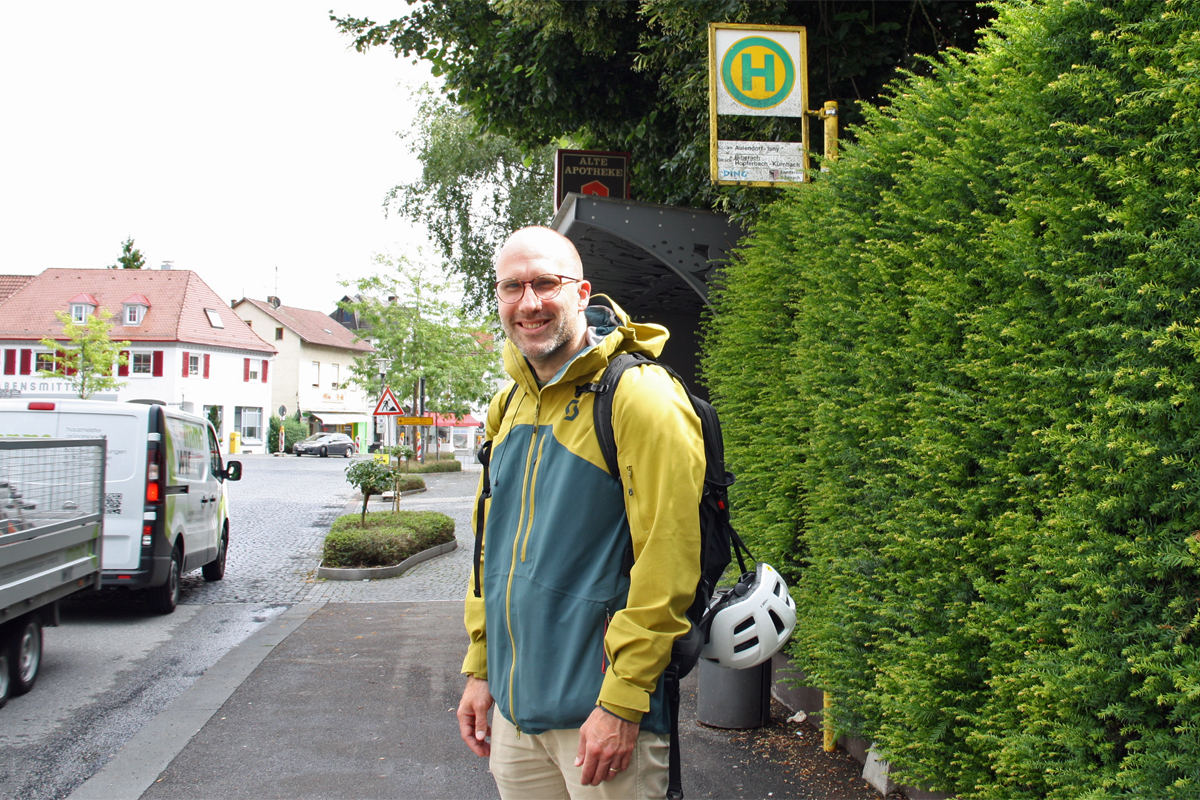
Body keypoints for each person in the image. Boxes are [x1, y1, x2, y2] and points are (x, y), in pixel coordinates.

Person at [457, 226, 705, 799]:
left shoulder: (638, 397)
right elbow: (487, 550)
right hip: (516, 716)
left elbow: (668, 563)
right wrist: (479, 667)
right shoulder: (509, 404)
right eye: (512, 287)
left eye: (546, 283)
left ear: (581, 291)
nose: (530, 303)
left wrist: (622, 700)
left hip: (603, 716)